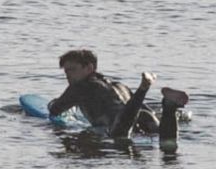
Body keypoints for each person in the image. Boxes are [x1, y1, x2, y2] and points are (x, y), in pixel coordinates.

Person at [48, 49, 189, 146]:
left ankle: (144, 88)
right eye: (66, 71)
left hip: (120, 122)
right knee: (167, 142)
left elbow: (55, 110)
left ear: (89, 68)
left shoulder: (79, 87)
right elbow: (146, 110)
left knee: (119, 135)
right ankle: (169, 107)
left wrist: (52, 104)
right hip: (144, 115)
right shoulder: (118, 85)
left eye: (72, 69)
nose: (68, 75)